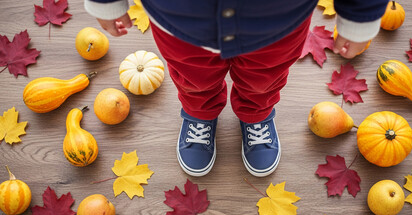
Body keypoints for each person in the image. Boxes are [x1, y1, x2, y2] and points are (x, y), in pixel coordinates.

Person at [84, 0, 388, 177]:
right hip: (181, 23)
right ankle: (199, 113)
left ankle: (256, 113)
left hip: (277, 24)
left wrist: (360, 16)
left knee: (264, 79)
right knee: (192, 79)